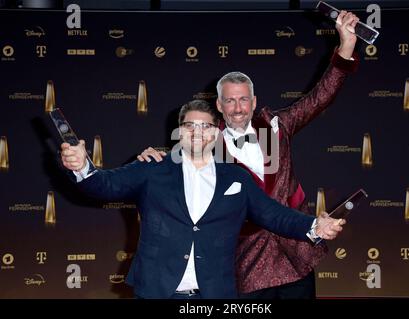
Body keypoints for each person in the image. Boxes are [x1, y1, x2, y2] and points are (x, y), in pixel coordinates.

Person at [137, 11, 360, 299]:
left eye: (243, 99)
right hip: (246, 263)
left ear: (254, 102)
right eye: (230, 100)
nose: (238, 107)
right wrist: (152, 155)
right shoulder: (206, 142)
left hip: (296, 255)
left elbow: (321, 97)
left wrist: (346, 46)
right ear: (219, 104)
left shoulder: (277, 125)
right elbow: (175, 160)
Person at [60, 100, 345, 299]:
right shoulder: (151, 168)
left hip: (215, 294)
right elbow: (105, 186)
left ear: (215, 132)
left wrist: (313, 226)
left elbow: (274, 215)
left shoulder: (237, 178)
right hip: (158, 292)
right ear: (179, 131)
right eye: (189, 126)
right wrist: (82, 166)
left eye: (205, 127)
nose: (197, 133)